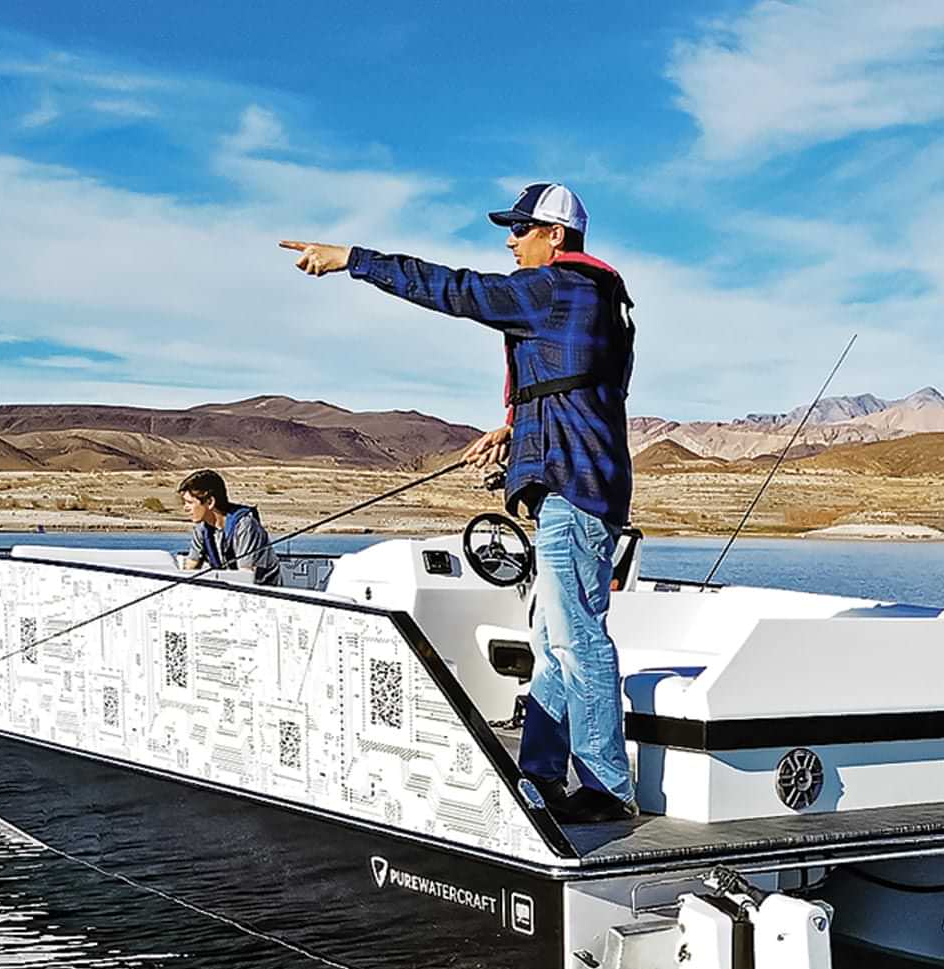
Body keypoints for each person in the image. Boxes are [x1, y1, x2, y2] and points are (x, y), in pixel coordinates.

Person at [280, 183, 638, 823]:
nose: (510, 240)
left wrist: (353, 259)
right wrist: (513, 430)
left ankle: (606, 789)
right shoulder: (593, 298)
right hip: (575, 483)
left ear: (554, 236)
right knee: (553, 637)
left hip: (575, 491)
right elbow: (578, 389)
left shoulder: (556, 288)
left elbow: (457, 290)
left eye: (520, 229)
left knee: (579, 639)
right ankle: (542, 776)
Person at [178, 469, 279, 584]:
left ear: (210, 502)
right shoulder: (201, 527)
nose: (185, 508)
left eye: (190, 503)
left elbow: (245, 576)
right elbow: (191, 566)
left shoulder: (245, 526)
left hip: (262, 590)